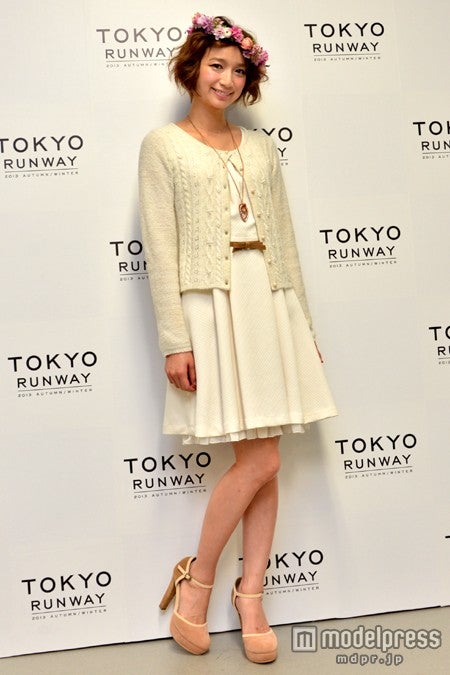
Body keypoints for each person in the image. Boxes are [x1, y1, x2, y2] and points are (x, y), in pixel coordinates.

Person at [139, 13, 337, 664]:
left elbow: (287, 241)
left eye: (238, 70)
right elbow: (161, 248)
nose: (226, 79)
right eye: (216, 65)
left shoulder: (261, 149)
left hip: (268, 299)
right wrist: (174, 338)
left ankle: (246, 593)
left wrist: (303, 327)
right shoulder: (162, 146)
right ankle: (202, 583)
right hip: (209, 304)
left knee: (265, 457)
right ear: (193, 69)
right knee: (262, 460)